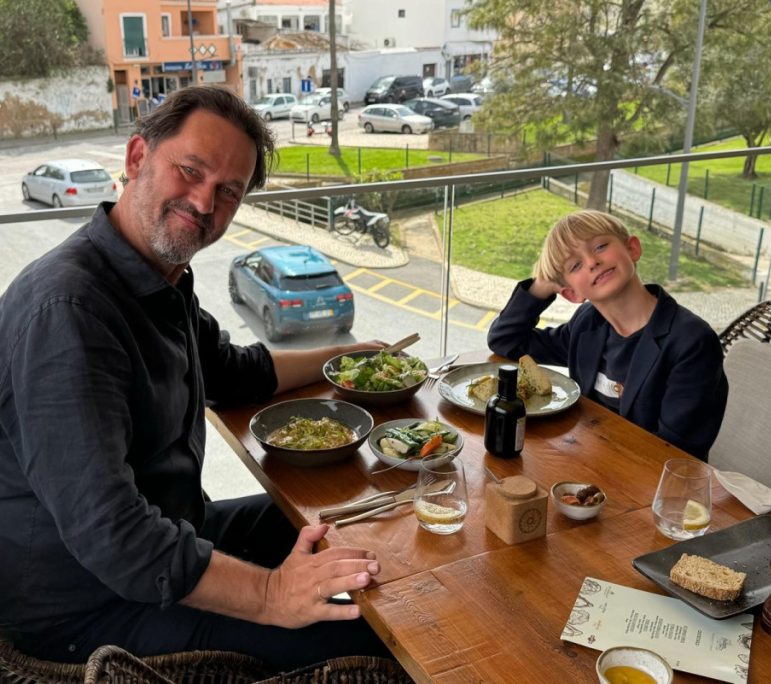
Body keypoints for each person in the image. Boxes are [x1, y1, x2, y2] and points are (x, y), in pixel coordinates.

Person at [0, 86, 391, 671]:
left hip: (171, 531)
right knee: (367, 641)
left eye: (229, 191)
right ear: (137, 158)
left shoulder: (159, 279)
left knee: (345, 521)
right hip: (82, 609)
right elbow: (113, 533)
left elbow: (237, 372)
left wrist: (351, 355)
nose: (205, 201)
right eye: (191, 170)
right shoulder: (70, 311)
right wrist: (269, 595)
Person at [487, 210, 728, 459]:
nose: (592, 262)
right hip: (592, 462)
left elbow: (674, 455)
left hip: (649, 481)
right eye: (576, 265)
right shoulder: (587, 324)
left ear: (632, 248)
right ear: (571, 294)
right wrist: (542, 286)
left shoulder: (691, 342)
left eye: (601, 246)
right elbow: (507, 340)